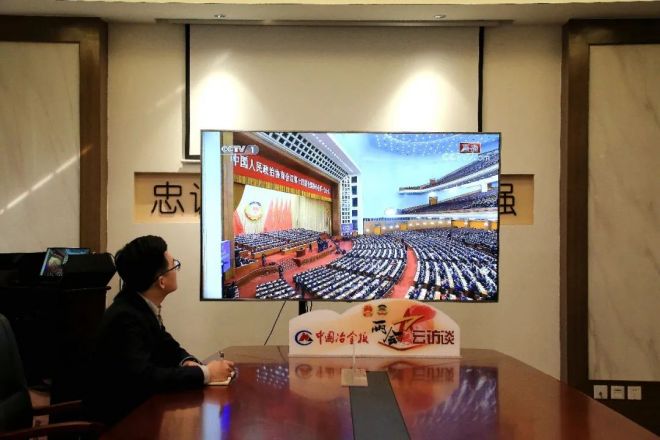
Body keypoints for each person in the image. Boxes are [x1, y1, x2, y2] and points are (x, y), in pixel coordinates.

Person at [83, 235, 235, 425]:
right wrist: (206, 374)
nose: (177, 270)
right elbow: (144, 377)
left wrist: (188, 362)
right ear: (161, 281)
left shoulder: (137, 305)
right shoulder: (126, 317)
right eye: (174, 266)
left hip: (142, 412)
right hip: (121, 423)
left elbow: (167, 346)